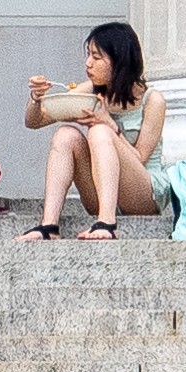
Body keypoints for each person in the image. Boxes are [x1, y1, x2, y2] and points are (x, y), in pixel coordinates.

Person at [24, 21, 164, 240]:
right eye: (88, 55)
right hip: (100, 192)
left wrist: (109, 124)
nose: (88, 63)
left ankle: (107, 223)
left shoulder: (152, 100)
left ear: (120, 61)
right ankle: (49, 226)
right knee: (66, 135)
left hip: (143, 194)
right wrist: (36, 98)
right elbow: (35, 121)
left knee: (100, 131)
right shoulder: (90, 91)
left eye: (97, 57)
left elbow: (140, 158)